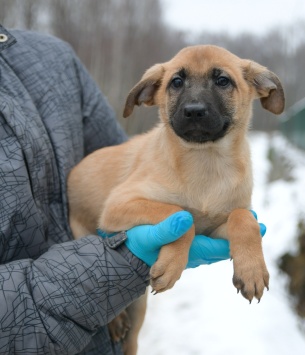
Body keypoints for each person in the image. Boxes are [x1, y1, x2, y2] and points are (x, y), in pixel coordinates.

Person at [0, 25, 265, 355]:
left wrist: (245, 231)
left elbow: (223, 222)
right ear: (150, 93)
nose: (195, 103)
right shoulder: (156, 164)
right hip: (82, 233)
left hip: (108, 272)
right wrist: (179, 230)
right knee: (128, 312)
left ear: (256, 89)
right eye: (178, 84)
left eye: (221, 81)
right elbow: (114, 212)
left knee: (131, 335)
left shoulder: (53, 57)